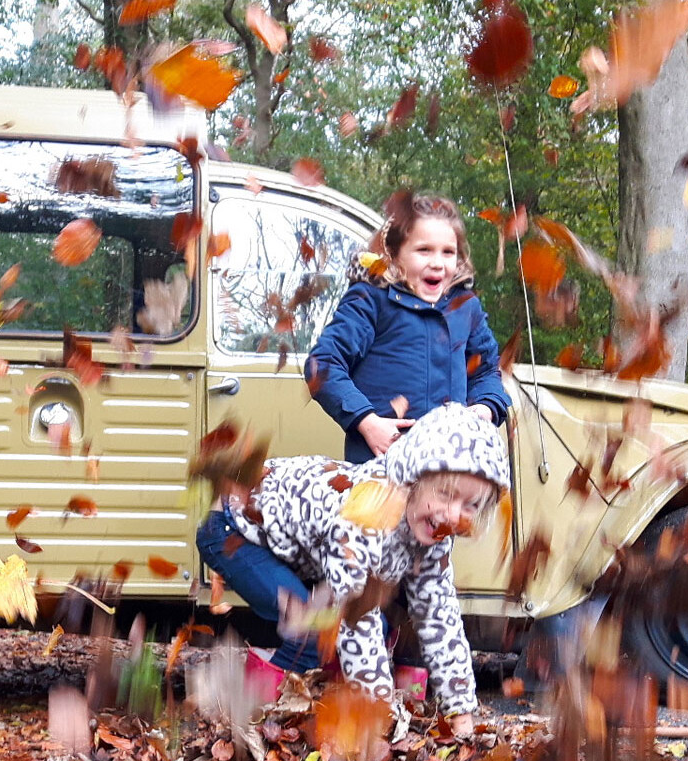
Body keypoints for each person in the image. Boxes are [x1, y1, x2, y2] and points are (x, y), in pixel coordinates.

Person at [193, 404, 508, 725]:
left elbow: (439, 616)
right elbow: (355, 624)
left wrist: (461, 713)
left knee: (375, 626)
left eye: (470, 505)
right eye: (445, 494)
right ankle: (250, 711)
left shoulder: (434, 527)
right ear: (413, 479)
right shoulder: (366, 514)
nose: (453, 515)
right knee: (318, 630)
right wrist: (379, 723)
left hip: (291, 545)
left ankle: (307, 700)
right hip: (231, 529)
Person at [306, 192, 511, 464]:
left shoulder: (465, 307)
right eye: (424, 250)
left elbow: (486, 371)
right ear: (394, 253)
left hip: (449, 466)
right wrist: (367, 422)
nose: (437, 263)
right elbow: (323, 364)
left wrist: (485, 408)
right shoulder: (371, 299)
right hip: (383, 467)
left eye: (448, 252)